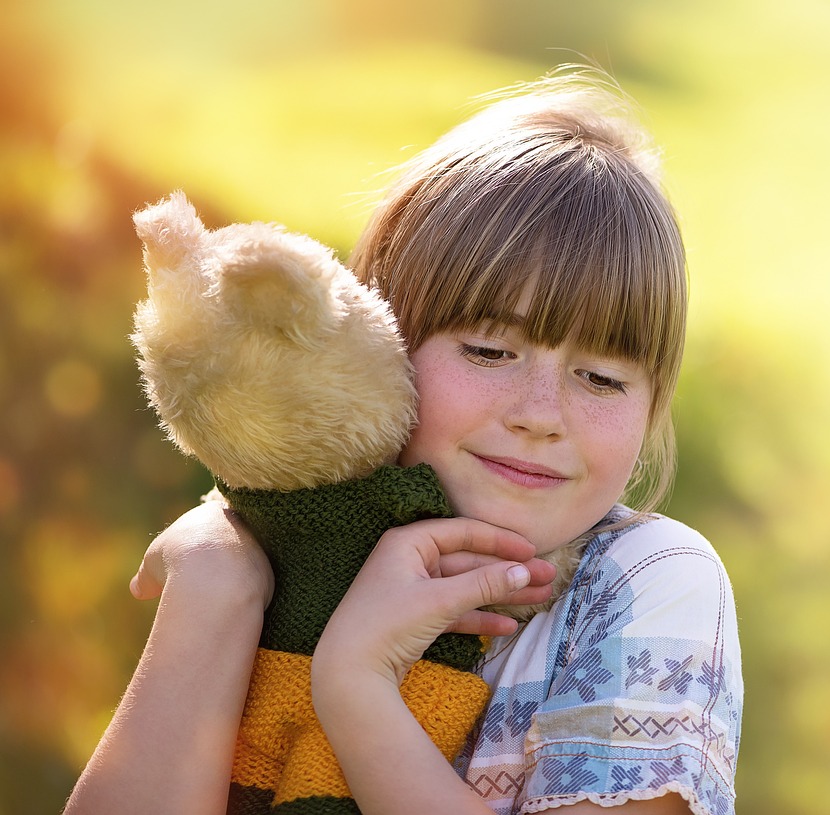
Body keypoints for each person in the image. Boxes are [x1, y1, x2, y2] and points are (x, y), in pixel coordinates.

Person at [65, 71, 742, 815]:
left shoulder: (645, 583)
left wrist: (356, 682)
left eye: (604, 377)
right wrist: (217, 586)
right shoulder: (278, 553)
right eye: (489, 350)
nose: (542, 414)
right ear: (385, 339)